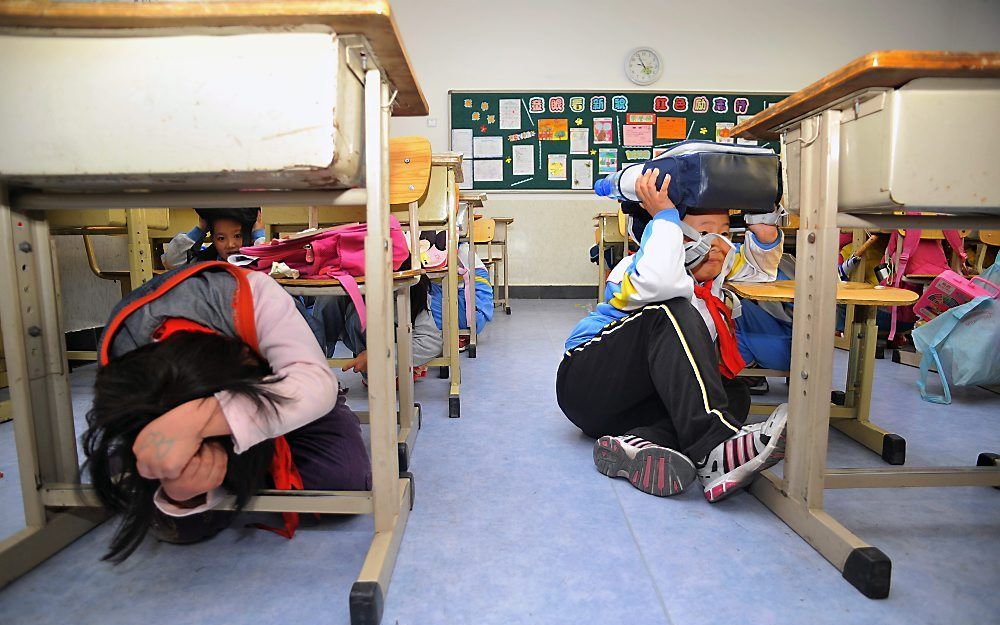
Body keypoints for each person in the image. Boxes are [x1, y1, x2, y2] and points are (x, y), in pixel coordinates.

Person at [83, 261, 371, 562]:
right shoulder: (123, 360)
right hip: (195, 410)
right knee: (178, 518)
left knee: (342, 484)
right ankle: (200, 475)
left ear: (246, 358)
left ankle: (248, 466)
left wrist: (200, 420)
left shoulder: (251, 295)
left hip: (278, 393)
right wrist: (182, 495)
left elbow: (314, 383)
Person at [556, 169, 788, 503]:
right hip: (586, 386)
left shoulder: (718, 274)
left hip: (632, 408)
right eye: (704, 231)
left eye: (725, 232)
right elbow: (662, 285)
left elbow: (760, 272)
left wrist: (764, 237)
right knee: (671, 311)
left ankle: (640, 445)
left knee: (733, 392)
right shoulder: (636, 269)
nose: (719, 244)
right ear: (667, 234)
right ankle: (713, 450)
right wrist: (663, 216)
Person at [161, 207, 264, 269]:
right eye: (221, 238)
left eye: (238, 236)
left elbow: (272, 262)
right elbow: (173, 262)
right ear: (213, 239)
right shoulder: (208, 260)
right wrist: (200, 229)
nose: (230, 245)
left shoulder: (257, 262)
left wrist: (258, 234)